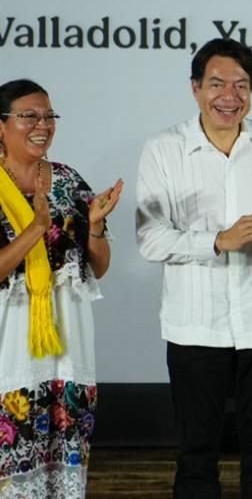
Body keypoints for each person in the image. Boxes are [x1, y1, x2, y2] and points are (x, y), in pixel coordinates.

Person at [135, 38, 252, 498]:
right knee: (195, 454)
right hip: (195, 325)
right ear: (194, 88)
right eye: (217, 84)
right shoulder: (164, 149)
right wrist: (218, 240)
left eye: (241, 85)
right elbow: (150, 238)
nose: (229, 96)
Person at [0, 79, 122, 497]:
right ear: (1, 126)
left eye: (49, 116)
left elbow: (99, 268)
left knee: (64, 469)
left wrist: (97, 225)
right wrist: (35, 229)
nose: (42, 125)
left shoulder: (69, 181)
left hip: (68, 346)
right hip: (9, 346)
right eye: (28, 116)